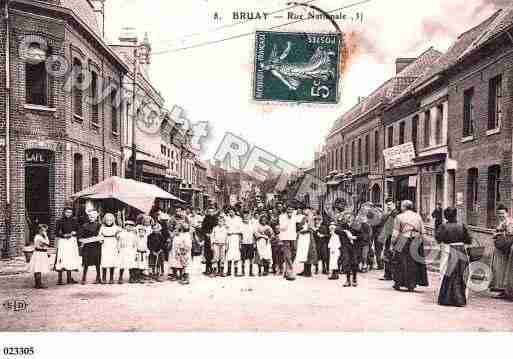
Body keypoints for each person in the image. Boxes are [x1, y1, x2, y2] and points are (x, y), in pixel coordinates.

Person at [435, 207, 472, 307]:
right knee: (461, 273)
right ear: (456, 215)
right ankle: (460, 298)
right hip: (461, 249)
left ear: (446, 216)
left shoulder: (443, 226)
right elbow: (469, 239)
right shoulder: (462, 225)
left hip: (447, 249)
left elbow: (438, 238)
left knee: (445, 272)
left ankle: (445, 297)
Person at [390, 200, 429, 292]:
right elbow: (423, 231)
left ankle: (398, 282)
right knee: (414, 262)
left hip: (402, 238)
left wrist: (392, 244)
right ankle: (412, 283)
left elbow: (395, 232)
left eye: (402, 206)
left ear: (404, 207)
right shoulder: (418, 216)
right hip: (416, 239)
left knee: (399, 262)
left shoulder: (399, 217)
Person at [489, 204, 513, 299]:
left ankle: (506, 291)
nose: (501, 215)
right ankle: (503, 290)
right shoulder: (502, 221)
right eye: (499, 213)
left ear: (507, 213)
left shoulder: (509, 222)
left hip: (505, 249)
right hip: (500, 249)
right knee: (499, 270)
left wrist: (497, 233)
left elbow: (510, 234)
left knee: (504, 270)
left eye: (502, 213)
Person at [54, 205, 80, 285]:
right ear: (64, 212)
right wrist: (63, 235)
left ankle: (69, 278)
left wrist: (75, 233)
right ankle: (60, 279)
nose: (68, 214)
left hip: (71, 241)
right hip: (63, 241)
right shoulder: (60, 221)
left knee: (70, 258)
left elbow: (79, 230)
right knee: (61, 258)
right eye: (67, 212)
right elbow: (56, 232)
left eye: (70, 212)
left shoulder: (74, 221)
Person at [78, 210, 102, 285]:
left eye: (93, 217)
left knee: (97, 262)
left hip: (96, 246)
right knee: (86, 263)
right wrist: (82, 241)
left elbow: (101, 235)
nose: (91, 218)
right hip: (87, 247)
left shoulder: (99, 225)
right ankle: (83, 278)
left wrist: (99, 239)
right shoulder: (84, 225)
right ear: (88, 217)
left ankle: (98, 277)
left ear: (96, 217)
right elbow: (80, 236)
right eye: (90, 216)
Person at [378, 198, 399, 281]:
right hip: (389, 236)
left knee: (389, 255)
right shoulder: (390, 213)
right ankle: (388, 274)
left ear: (394, 204)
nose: (388, 206)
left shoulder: (395, 214)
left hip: (392, 237)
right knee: (388, 255)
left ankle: (389, 274)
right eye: (387, 205)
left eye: (390, 204)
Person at [99, 213, 121, 285]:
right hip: (105, 244)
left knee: (112, 260)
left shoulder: (116, 227)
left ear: (113, 220)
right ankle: (104, 277)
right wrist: (101, 239)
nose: (109, 221)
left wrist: (118, 236)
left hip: (113, 244)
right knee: (105, 260)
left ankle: (111, 278)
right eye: (107, 220)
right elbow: (100, 235)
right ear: (105, 220)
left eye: (111, 220)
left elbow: (120, 234)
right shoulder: (102, 227)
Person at [28, 224, 51, 289]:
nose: (43, 231)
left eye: (45, 230)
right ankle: (38, 283)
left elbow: (47, 244)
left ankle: (39, 283)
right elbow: (44, 244)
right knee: (37, 268)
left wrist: (46, 237)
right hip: (38, 253)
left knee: (40, 268)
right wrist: (46, 241)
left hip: (43, 253)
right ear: (39, 230)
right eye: (42, 230)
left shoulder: (45, 236)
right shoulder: (37, 237)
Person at [279, 207, 297, 281]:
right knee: (288, 255)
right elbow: (282, 228)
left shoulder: (295, 217)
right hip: (285, 237)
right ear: (286, 210)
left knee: (294, 253)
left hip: (293, 237)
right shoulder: (282, 217)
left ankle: (286, 270)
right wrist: (288, 221)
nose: (290, 211)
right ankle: (290, 273)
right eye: (289, 209)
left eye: (291, 209)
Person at [200, 207, 218, 276]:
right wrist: (206, 234)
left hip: (214, 237)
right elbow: (202, 228)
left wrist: (213, 234)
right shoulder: (205, 218)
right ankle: (207, 268)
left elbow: (217, 227)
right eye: (209, 211)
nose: (211, 213)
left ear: (214, 212)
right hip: (207, 238)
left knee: (214, 253)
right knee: (207, 253)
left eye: (212, 211)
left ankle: (214, 269)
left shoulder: (216, 219)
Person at [225, 208, 242, 276]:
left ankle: (235, 271)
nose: (231, 213)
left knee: (236, 254)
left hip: (236, 237)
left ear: (235, 212)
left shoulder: (238, 219)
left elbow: (240, 230)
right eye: (230, 212)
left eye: (232, 212)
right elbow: (226, 228)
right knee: (229, 253)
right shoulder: (227, 219)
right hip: (229, 237)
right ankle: (229, 271)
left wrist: (240, 240)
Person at [240, 212, 255, 276]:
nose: (246, 218)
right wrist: (240, 243)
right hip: (243, 243)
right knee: (243, 258)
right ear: (243, 218)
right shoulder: (241, 225)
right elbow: (240, 235)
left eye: (247, 217)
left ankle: (250, 272)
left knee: (251, 258)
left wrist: (254, 243)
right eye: (244, 217)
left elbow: (254, 234)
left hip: (250, 243)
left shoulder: (252, 225)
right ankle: (243, 272)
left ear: (249, 217)